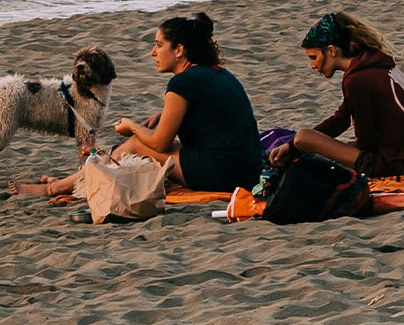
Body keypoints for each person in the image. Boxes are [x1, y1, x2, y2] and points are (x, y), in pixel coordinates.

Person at [14, 13, 266, 223]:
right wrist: (163, 114)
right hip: (246, 170)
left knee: (135, 145)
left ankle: (55, 188)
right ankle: (75, 180)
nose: (152, 52)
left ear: (178, 50)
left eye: (158, 45)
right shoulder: (216, 72)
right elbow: (211, 114)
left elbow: (160, 144)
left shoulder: (183, 81)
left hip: (223, 173)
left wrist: (132, 127)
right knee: (136, 146)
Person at [266, 12, 404, 178]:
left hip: (395, 164)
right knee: (303, 141)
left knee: (303, 137)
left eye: (313, 57)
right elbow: (341, 119)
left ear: (331, 51)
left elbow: (366, 142)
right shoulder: (374, 64)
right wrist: (292, 146)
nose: (313, 66)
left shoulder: (357, 80)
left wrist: (327, 153)